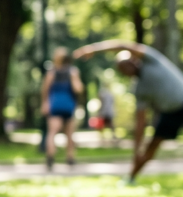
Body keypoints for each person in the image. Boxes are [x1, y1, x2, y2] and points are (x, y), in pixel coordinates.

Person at [74, 40, 183, 182]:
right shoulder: (139, 89)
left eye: (127, 64)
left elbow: (122, 45)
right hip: (169, 112)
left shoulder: (151, 60)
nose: (126, 69)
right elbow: (140, 122)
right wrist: (136, 151)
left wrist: (93, 49)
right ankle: (131, 178)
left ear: (134, 59)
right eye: (122, 68)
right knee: (151, 147)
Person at [41, 47, 83, 170]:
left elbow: (45, 89)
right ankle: (70, 158)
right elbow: (78, 88)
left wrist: (45, 103)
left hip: (55, 104)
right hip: (68, 104)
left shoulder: (51, 72)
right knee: (69, 133)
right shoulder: (72, 71)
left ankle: (50, 157)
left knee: (52, 132)